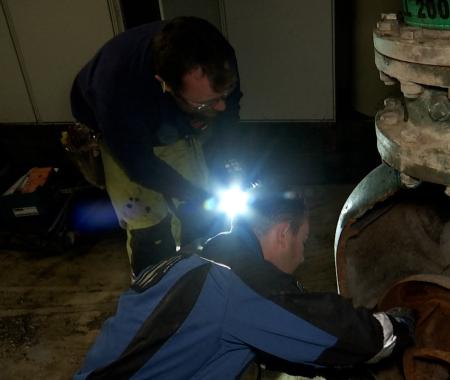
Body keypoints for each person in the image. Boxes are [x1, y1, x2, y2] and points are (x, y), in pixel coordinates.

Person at [73, 191, 415, 379]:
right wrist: (398, 326)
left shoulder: (200, 256)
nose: (303, 257)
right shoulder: (237, 286)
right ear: (283, 233)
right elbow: (340, 330)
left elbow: (279, 340)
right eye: (304, 241)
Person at [69, 16, 242, 277]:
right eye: (206, 104)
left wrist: (227, 162)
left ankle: (208, 286)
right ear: (165, 84)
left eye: (222, 96)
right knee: (151, 229)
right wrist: (195, 194)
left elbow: (229, 113)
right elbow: (140, 165)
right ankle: (154, 298)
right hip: (122, 135)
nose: (220, 107)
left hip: (166, 116)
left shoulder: (217, 54)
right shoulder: (117, 89)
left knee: (205, 215)